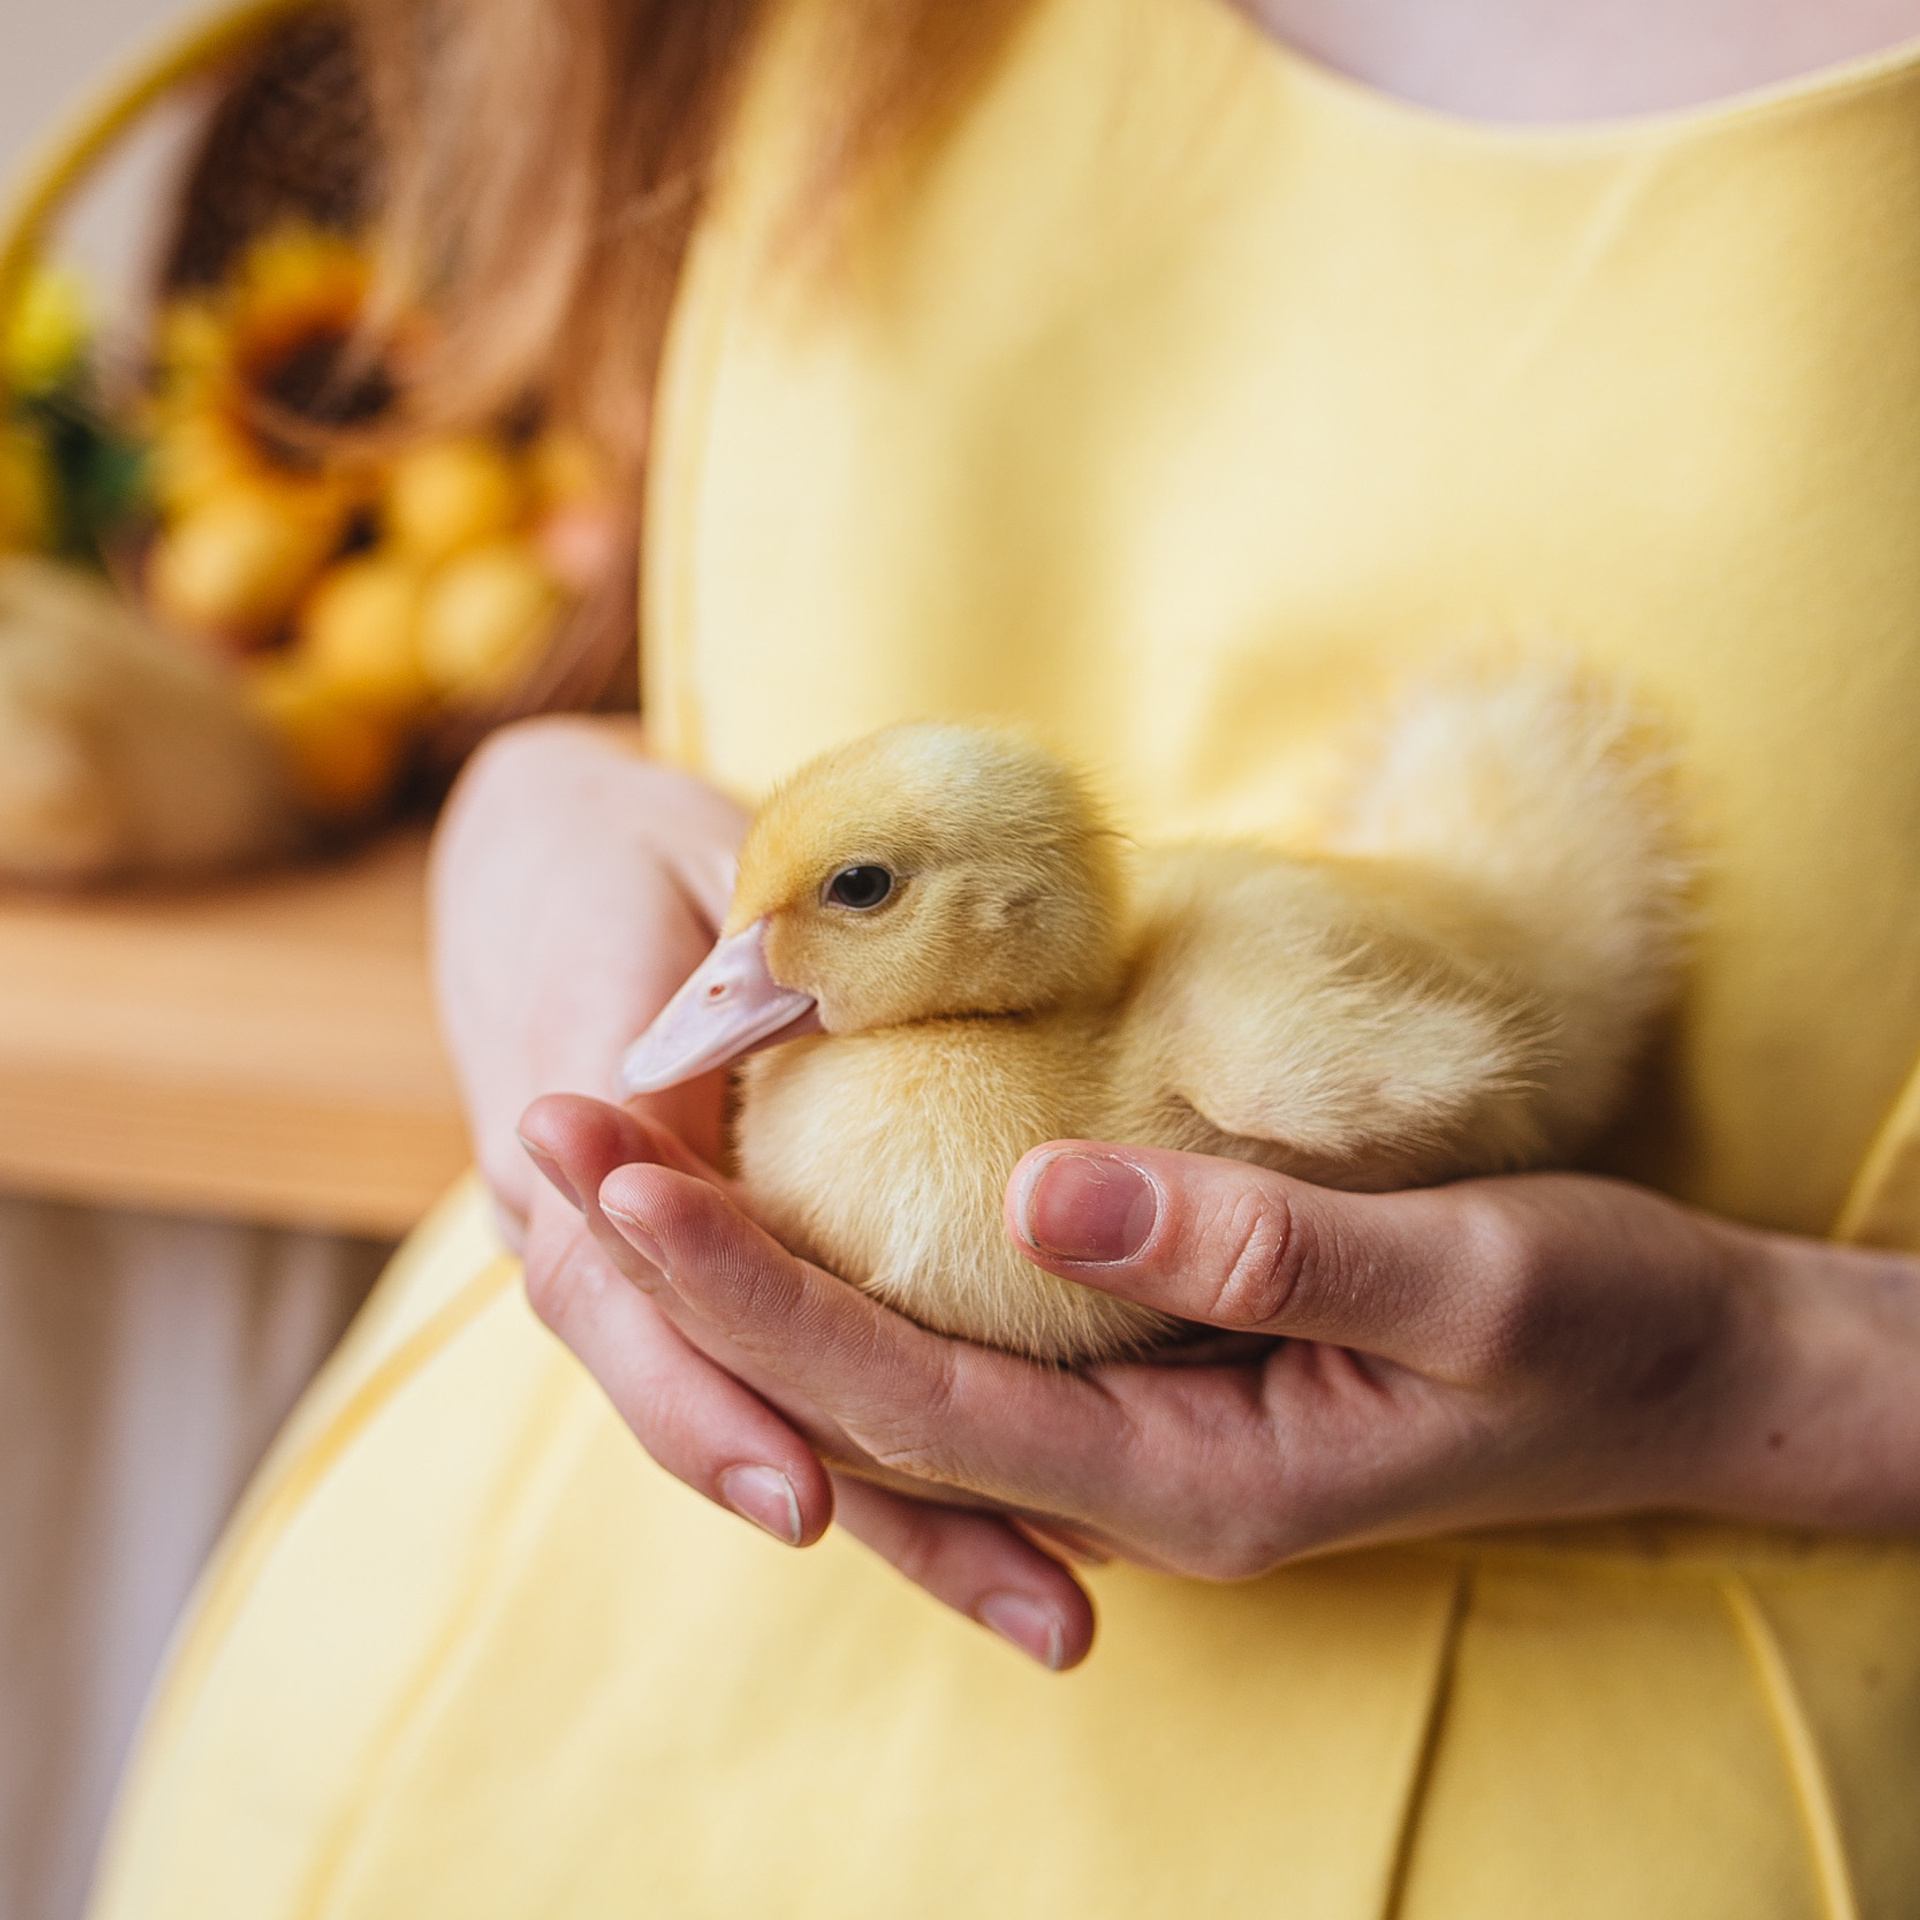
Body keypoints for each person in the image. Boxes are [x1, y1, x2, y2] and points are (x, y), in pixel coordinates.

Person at [90, 0, 1920, 1913]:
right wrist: (541, 808)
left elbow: (1427, 1064)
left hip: (1590, 1791)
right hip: (510, 1696)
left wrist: (1759, 1361)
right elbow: (699, 660)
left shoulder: (1244, 1041)